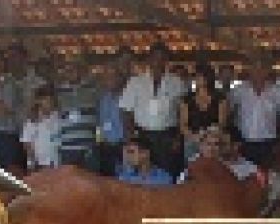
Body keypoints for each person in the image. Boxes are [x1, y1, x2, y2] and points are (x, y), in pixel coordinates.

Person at [120, 42, 187, 177]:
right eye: (155, 57)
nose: (158, 61)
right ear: (148, 60)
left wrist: (178, 138)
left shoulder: (177, 83)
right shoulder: (135, 82)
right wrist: (130, 137)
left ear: (167, 61)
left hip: (167, 136)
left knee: (168, 172)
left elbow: (183, 113)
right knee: (142, 172)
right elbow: (126, 111)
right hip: (142, 135)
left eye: (162, 58)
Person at [227, 52, 280, 167]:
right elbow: (225, 114)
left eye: (262, 68)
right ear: (249, 70)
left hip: (268, 145)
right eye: (255, 67)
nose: (258, 72)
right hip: (244, 145)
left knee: (267, 181)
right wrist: (232, 140)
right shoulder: (238, 91)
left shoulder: (276, 92)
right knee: (245, 181)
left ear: (267, 71)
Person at [179, 63, 228, 162]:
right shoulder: (187, 99)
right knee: (193, 171)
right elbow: (183, 125)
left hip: (214, 142)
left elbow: (222, 123)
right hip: (193, 142)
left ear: (208, 78)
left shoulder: (220, 98)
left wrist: (210, 135)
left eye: (200, 76)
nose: (197, 78)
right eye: (196, 76)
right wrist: (194, 137)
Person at [97, 60, 130, 176]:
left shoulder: (127, 96)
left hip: (122, 146)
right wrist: (99, 142)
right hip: (105, 147)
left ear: (120, 78)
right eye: (106, 76)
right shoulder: (103, 98)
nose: (108, 79)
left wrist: (127, 144)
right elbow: (100, 123)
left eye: (112, 76)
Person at [21, 88, 62, 172]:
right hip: (38, 164)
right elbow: (27, 143)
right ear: (38, 101)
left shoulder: (58, 117)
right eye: (45, 100)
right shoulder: (32, 120)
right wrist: (31, 162)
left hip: (55, 163)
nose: (48, 103)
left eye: (51, 100)